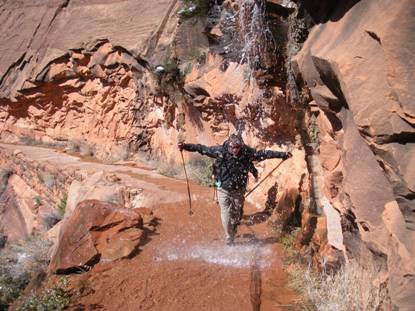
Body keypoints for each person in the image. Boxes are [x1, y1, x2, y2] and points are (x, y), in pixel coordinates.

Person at [178, 133, 292, 245]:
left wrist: (283, 155)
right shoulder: (221, 151)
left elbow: (264, 154)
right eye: (232, 147)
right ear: (229, 144)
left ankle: (234, 225)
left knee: (236, 214)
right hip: (223, 189)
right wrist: (185, 146)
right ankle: (229, 237)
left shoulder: (247, 153)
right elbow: (201, 148)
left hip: (239, 190)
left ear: (241, 146)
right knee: (225, 213)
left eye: (237, 147)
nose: (234, 149)